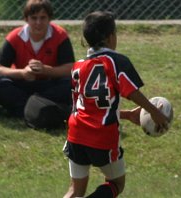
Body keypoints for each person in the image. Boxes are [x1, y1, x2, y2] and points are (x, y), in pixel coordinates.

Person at [63, 11, 170, 198]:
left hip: (76, 134)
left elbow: (84, 108)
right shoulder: (116, 61)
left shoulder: (77, 67)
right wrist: (154, 112)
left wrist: (128, 115)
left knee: (75, 191)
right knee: (116, 183)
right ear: (110, 37)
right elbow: (131, 91)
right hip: (101, 136)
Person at [0, 0, 75, 129]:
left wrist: (45, 70)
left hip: (48, 85)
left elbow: (70, 69)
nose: (38, 23)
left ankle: (22, 110)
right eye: (34, 18)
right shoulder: (15, 37)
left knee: (72, 85)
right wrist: (22, 73)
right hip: (21, 85)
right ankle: (44, 109)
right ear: (26, 19)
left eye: (43, 18)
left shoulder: (60, 35)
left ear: (49, 18)